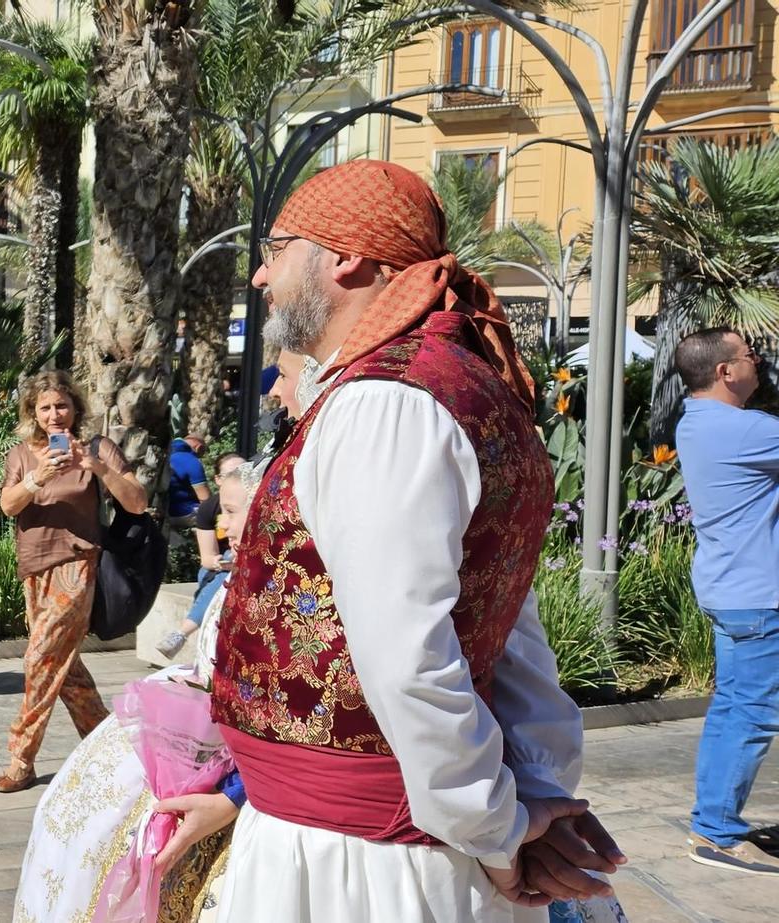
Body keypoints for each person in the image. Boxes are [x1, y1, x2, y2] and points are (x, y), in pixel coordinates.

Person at [208, 160, 622, 920]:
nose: (263, 275)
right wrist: (524, 798)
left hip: (362, 866)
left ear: (345, 256)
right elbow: (508, 630)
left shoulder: (385, 405)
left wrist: (495, 826)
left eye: (277, 247)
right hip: (380, 842)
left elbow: (410, 655)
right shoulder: (451, 384)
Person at [16, 457, 262, 920]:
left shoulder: (275, 595)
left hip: (235, 754)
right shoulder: (240, 580)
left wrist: (233, 792)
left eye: (231, 511)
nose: (222, 525)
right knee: (75, 825)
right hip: (202, 721)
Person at [0, 370, 147, 793]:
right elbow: (8, 505)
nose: (54, 414)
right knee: (66, 668)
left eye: (61, 405)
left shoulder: (98, 448)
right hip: (34, 568)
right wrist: (37, 477)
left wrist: (95, 467)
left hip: (78, 565)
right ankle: (110, 751)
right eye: (45, 407)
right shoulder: (22, 455)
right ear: (34, 413)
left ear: (75, 408)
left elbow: (137, 502)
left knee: (39, 659)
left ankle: (21, 758)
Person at [671, 327, 779, 876]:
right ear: (725, 372)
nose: (758, 363)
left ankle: (713, 822)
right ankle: (715, 831)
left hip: (732, 589)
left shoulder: (695, 423)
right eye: (750, 355)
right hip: (760, 597)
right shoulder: (749, 431)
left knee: (736, 709)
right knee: (751, 714)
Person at [156, 453, 244, 657]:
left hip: (243, 566)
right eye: (231, 473)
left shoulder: (258, 504)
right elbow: (207, 558)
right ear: (218, 480)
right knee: (225, 574)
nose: (238, 477)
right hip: (218, 569)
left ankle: (182, 633)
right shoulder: (208, 509)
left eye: (243, 472)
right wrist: (220, 561)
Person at [164, 435, 210, 530]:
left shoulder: (167, 453)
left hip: (163, 510)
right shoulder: (191, 461)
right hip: (183, 513)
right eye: (202, 452)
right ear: (199, 447)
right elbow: (205, 500)